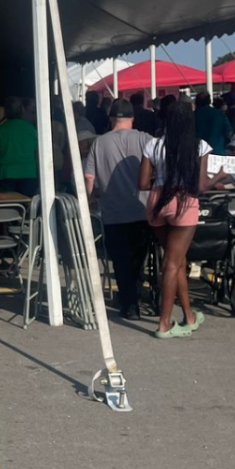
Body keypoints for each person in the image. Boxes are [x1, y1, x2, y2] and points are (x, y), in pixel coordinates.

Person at [139, 100, 227, 339]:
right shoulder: (199, 146)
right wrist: (219, 175)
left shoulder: (153, 145)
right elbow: (199, 185)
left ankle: (188, 315)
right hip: (184, 202)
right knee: (172, 263)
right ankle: (164, 323)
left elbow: (143, 183)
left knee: (175, 259)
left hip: (158, 201)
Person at [84, 100, 152, 319]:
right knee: (138, 257)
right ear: (132, 118)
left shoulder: (99, 143)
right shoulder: (145, 139)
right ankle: (135, 296)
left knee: (120, 260)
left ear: (111, 119)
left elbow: (89, 177)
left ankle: (128, 302)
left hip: (112, 211)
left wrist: (91, 198)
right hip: (142, 209)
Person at [0, 96, 39, 196]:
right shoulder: (31, 129)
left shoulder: (0, 131)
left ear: (5, 111)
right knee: (26, 206)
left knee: (8, 206)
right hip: (28, 173)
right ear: (22, 110)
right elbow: (37, 152)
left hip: (5, 174)